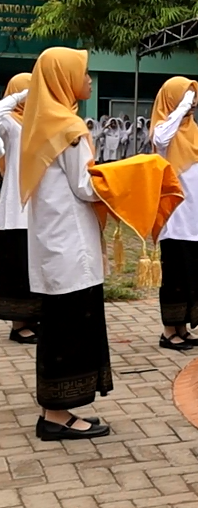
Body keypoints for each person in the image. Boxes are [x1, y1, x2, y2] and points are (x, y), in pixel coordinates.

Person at [19, 48, 111, 441]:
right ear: (64, 77)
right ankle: (56, 416)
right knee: (69, 327)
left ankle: (55, 409)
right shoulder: (68, 128)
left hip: (53, 241)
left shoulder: (40, 122)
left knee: (59, 325)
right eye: (85, 73)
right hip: (71, 244)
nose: (89, 80)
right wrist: (128, 179)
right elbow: (86, 187)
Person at [150, 78, 198, 351]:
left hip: (197, 220)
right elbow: (161, 136)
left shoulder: (193, 132)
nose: (191, 106)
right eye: (186, 99)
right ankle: (169, 331)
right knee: (175, 275)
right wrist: (179, 107)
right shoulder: (165, 130)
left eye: (194, 100)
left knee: (194, 273)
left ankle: (184, 328)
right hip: (175, 220)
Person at [0, 74, 38, 343]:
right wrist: (21, 95)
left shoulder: (38, 123)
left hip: (38, 208)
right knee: (18, 268)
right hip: (16, 208)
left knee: (35, 267)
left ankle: (34, 319)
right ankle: (19, 325)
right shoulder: (11, 123)